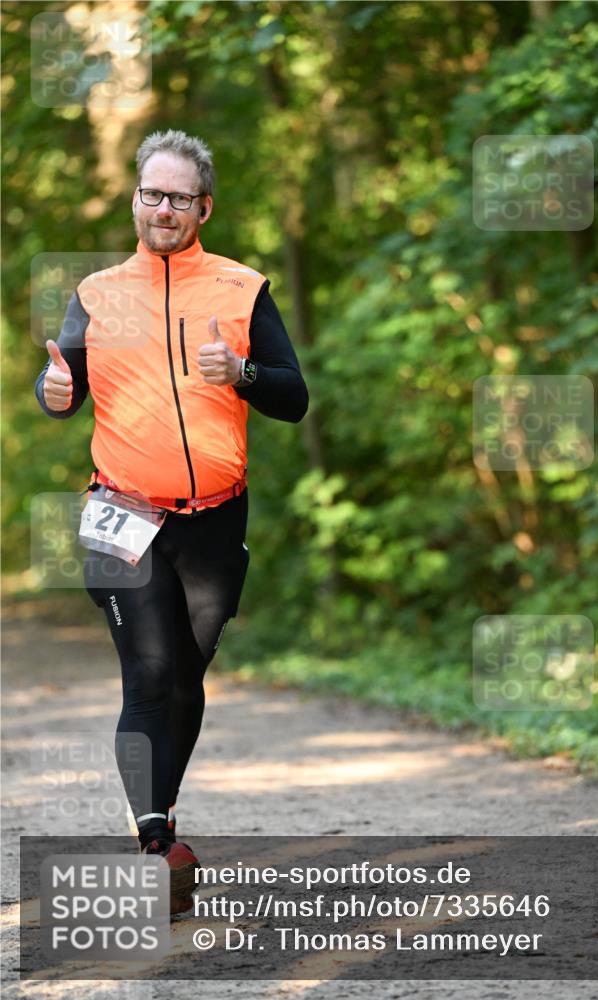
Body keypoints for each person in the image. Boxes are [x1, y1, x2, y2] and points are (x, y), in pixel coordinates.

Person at [34, 129, 308, 913]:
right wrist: (54, 393)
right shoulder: (96, 294)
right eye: (152, 194)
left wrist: (244, 372)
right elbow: (61, 387)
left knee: (186, 677)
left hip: (215, 524)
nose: (163, 208)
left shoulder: (241, 288)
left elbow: (292, 397)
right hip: (121, 514)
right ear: (135, 200)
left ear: (203, 208)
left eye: (179, 198)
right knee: (150, 673)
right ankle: (155, 843)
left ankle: (162, 814)